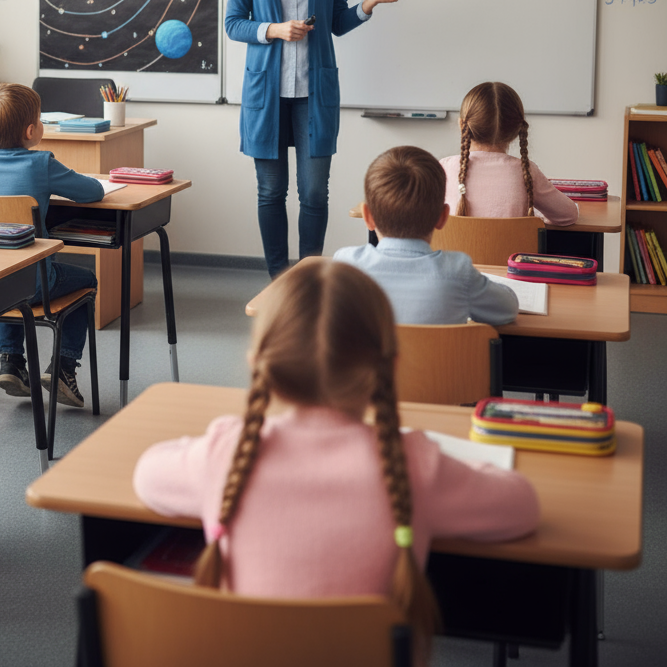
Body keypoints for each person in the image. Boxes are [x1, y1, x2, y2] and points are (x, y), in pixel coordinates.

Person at [133, 259, 540, 660]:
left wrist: (216, 435)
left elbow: (147, 474)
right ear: (389, 367)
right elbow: (522, 505)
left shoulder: (228, 450)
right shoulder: (414, 462)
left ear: (258, 362)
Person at [223, 0, 410, 279]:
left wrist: (371, 2)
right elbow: (233, 22)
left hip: (314, 92)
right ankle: (278, 281)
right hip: (266, 92)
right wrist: (273, 29)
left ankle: (307, 279)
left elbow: (337, 22)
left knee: (313, 192)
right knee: (270, 192)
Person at [0, 83, 104, 407]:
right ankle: (63, 366)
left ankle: (11, 361)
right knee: (87, 282)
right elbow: (92, 192)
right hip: (36, 284)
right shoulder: (42, 164)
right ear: (31, 129)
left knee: (10, 275)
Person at [333, 146, 518, 324]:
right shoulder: (458, 273)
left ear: (367, 216)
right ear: (443, 217)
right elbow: (508, 309)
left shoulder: (345, 266)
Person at [441, 82, 578, 226]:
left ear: (462, 125)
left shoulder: (444, 168)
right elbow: (568, 215)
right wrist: (536, 218)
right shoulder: (526, 172)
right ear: (518, 130)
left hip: (453, 249)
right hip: (513, 249)